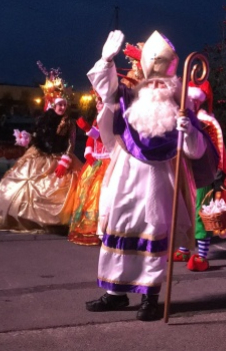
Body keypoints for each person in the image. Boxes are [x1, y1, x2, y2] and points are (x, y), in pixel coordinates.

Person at [84, 30, 218, 321]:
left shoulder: (182, 106)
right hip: (126, 175)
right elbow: (107, 94)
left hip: (160, 181)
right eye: (153, 78)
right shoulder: (129, 96)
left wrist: (189, 130)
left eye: (164, 80)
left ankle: (150, 298)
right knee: (119, 230)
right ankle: (115, 294)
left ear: (172, 79)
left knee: (153, 236)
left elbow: (196, 151)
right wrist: (106, 61)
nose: (158, 84)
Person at [0, 65, 81, 234]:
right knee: (25, 181)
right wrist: (27, 139)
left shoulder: (69, 123)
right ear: (53, 105)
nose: (61, 108)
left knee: (57, 188)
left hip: (60, 158)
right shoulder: (43, 120)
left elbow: (71, 144)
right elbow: (39, 138)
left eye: (64, 105)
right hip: (40, 155)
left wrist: (65, 160)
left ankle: (56, 222)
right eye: (59, 104)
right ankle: (27, 219)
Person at [172, 81, 226, 271]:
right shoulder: (183, 118)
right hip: (184, 173)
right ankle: (184, 249)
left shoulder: (207, 123)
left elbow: (217, 151)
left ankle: (201, 256)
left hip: (203, 175)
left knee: (200, 214)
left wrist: (217, 177)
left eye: (192, 99)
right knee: (184, 211)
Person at [68, 94, 111, 246]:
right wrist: (88, 154)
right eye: (97, 102)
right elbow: (91, 140)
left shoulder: (111, 118)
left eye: (101, 101)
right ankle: (89, 227)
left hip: (108, 160)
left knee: (100, 191)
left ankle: (102, 229)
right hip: (96, 159)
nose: (98, 104)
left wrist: (87, 129)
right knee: (85, 189)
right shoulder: (97, 118)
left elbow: (106, 139)